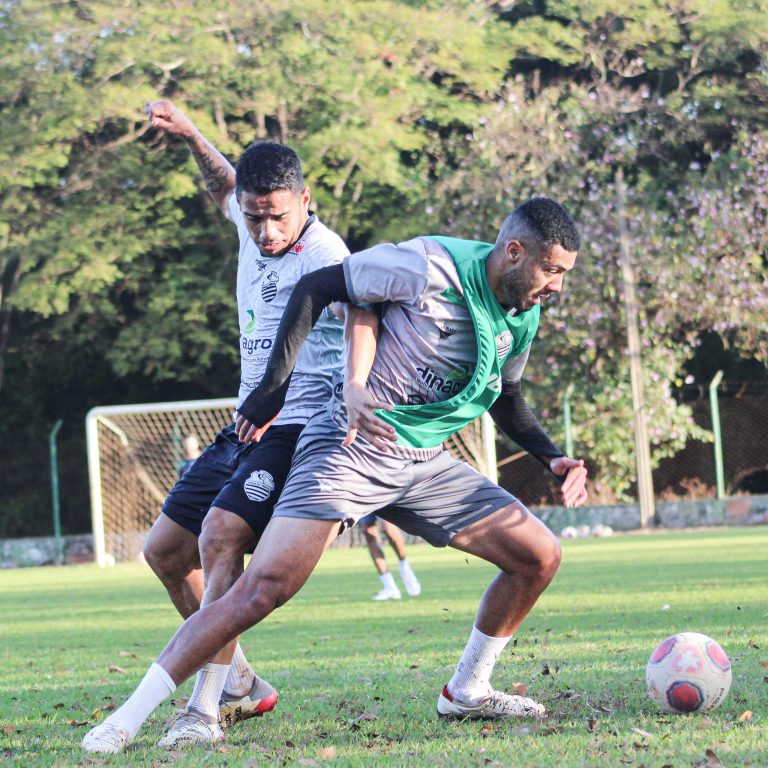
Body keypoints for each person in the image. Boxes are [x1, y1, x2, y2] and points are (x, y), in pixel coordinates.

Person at [83, 196, 589, 754]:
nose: (556, 286)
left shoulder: (523, 311)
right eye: (552, 270)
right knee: (261, 589)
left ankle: (467, 690)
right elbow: (320, 288)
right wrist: (289, 387)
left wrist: (552, 456)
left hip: (425, 461)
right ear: (514, 252)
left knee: (538, 556)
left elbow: (507, 395)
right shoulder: (428, 264)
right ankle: (131, 719)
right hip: (349, 450)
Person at [136, 100, 350, 747]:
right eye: (253, 218)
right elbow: (225, 184)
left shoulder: (328, 257)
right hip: (247, 423)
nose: (263, 232)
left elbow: (379, 330)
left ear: (305, 200)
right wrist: (194, 133)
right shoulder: (250, 214)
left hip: (301, 428)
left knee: (222, 534)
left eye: (275, 217)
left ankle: (201, 712)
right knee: (165, 551)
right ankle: (241, 682)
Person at [359, 514, 421, 600]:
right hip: (363, 500)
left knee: (388, 527)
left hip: (382, 500)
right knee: (368, 532)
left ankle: (404, 565)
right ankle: (389, 587)